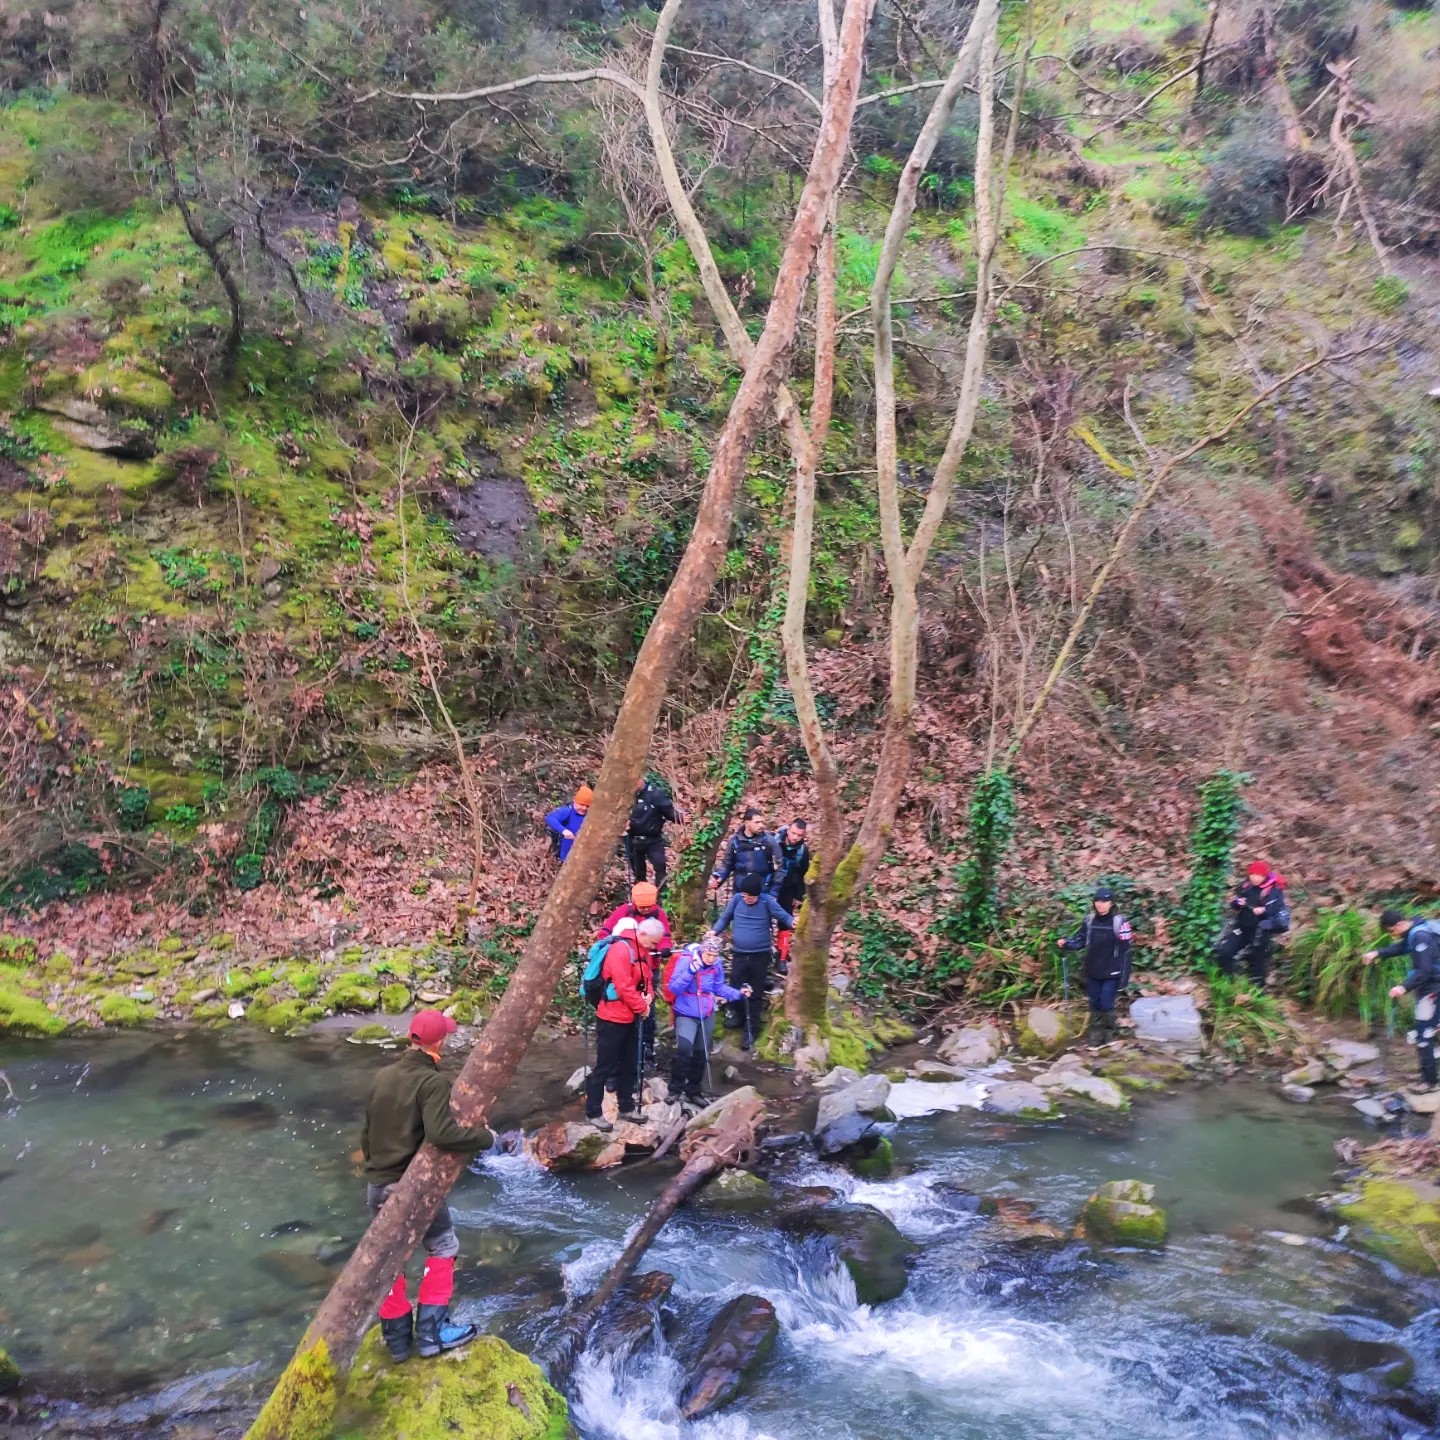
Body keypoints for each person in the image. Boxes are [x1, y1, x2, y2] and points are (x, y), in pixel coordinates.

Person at [361, 1010, 493, 1363]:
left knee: (388, 1257)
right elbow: (441, 1134)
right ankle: (432, 1334)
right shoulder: (432, 1082)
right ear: (440, 1042)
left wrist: (376, 1171)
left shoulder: (382, 1076)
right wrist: (485, 1138)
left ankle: (397, 1342)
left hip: (377, 1184)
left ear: (412, 1037)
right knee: (443, 1245)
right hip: (411, 1187)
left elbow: (367, 1133)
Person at [584, 917, 657, 1130]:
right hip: (611, 1017)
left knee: (630, 1063)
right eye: (653, 942)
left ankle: (626, 1107)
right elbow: (623, 986)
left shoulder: (643, 952)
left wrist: (648, 998)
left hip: (631, 1017)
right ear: (642, 934)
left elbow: (647, 981)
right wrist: (642, 1007)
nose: (654, 947)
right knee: (605, 1066)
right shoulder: (620, 950)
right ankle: (593, 1112)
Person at [711, 872, 793, 1048]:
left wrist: (794, 923)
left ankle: (751, 1029)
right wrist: (714, 931)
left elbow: (784, 916)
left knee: (755, 991)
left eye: (750, 896)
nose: (747, 898)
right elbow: (725, 918)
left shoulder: (766, 902)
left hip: (759, 955)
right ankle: (738, 1016)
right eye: (744, 895)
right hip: (739, 954)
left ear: (758, 894)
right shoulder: (737, 900)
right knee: (735, 985)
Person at [667, 935, 751, 1104]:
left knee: (701, 1053)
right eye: (708, 955)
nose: (711, 959)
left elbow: (718, 987)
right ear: (702, 950)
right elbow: (674, 988)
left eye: (715, 955)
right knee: (685, 1050)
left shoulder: (716, 965)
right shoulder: (686, 961)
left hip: (706, 1012)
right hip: (686, 1011)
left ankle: (694, 1090)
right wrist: (691, 971)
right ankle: (675, 1089)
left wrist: (738, 994)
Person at [1364, 910, 1440, 1096]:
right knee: (1425, 1031)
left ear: (1398, 925)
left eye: (1391, 931)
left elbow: (1424, 971)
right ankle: (1426, 1074)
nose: (1393, 935)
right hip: (1431, 987)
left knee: (1423, 1034)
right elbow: (1402, 947)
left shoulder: (1421, 936)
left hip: (1433, 990)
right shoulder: (1415, 929)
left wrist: (1403, 987)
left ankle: (1429, 1082)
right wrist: (1378, 953)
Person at [598, 885, 673, 1068]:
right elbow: (605, 933)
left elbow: (665, 936)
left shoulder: (659, 914)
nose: (646, 910)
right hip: (624, 966)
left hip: (648, 969)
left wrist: (664, 948)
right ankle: (622, 1051)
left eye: (649, 907)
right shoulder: (624, 911)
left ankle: (646, 1049)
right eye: (642, 907)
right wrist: (612, 949)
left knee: (648, 1009)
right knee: (624, 1003)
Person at [1057, 886, 1133, 1045]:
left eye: (1104, 901)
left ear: (1111, 903)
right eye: (1097, 900)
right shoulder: (1089, 921)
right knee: (1094, 1003)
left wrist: (1124, 977)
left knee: (1106, 1003)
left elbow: (1126, 951)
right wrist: (1067, 944)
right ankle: (1095, 1035)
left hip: (1112, 971)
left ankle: (1109, 1034)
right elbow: (1080, 941)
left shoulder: (1120, 923)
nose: (1100, 904)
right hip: (1093, 971)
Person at [1214, 860, 1289, 987]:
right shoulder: (1245, 886)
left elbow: (1276, 908)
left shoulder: (1273, 890)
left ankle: (1258, 990)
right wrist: (1237, 903)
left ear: (1264, 876)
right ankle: (1228, 982)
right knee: (1225, 952)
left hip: (1260, 930)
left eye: (1258, 875)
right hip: (1242, 927)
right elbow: (1235, 904)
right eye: (1252, 874)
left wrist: (1263, 910)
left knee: (1257, 961)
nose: (1255, 878)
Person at [709, 808, 781, 900]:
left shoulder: (769, 841)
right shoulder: (735, 842)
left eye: (762, 822)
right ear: (747, 823)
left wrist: (773, 893)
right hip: (740, 890)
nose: (761, 825)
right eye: (757, 822)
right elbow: (727, 864)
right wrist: (719, 878)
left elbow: (780, 868)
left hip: (762, 890)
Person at [626, 778, 682, 889]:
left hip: (653, 838)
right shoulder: (628, 796)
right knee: (638, 871)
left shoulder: (655, 794)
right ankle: (642, 894)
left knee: (660, 866)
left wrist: (682, 820)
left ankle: (662, 892)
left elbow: (669, 812)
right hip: (634, 839)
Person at [774, 818, 811, 917]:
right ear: (788, 830)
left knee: (785, 918)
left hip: (787, 889)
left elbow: (802, 874)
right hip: (770, 884)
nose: (795, 837)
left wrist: (798, 897)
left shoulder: (803, 852)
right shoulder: (773, 842)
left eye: (799, 835)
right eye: (793, 833)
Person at [545, 786, 593, 862]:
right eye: (581, 804)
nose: (584, 808)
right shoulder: (568, 811)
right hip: (566, 854)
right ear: (574, 801)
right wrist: (563, 830)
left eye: (587, 806)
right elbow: (551, 818)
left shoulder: (591, 815)